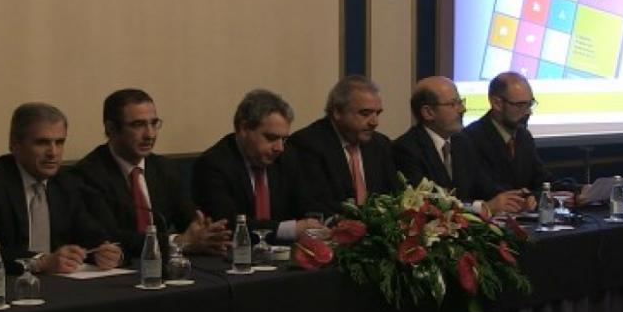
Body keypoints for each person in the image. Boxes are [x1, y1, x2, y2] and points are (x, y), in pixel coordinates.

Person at [0, 103, 122, 275]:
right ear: (15, 144)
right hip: (9, 282)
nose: (53, 152)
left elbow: (90, 234)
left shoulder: (67, 182)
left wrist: (105, 252)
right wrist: (41, 262)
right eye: (42, 143)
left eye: (59, 142)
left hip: (60, 282)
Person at [69, 88, 230, 256]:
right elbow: (109, 237)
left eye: (154, 123)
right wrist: (176, 242)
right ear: (111, 129)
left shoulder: (165, 168)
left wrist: (205, 233)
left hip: (164, 264)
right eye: (138, 125)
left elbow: (189, 220)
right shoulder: (87, 175)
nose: (150, 134)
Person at [192, 89, 323, 243]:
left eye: (284, 139)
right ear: (244, 129)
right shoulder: (213, 164)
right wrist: (288, 230)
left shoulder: (287, 157)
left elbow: (307, 206)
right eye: (271, 138)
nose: (279, 148)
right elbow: (228, 224)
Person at [394, 76, 527, 214]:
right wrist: (483, 207)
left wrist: (517, 199)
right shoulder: (407, 149)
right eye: (453, 104)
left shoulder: (463, 142)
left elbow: (485, 185)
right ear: (428, 112)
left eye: (461, 102)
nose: (462, 109)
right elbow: (431, 204)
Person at [288, 75, 400, 216]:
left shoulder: (380, 144)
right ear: (337, 112)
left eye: (377, 113)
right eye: (365, 113)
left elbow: (393, 196)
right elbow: (317, 204)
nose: (375, 122)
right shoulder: (307, 144)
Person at [459, 72, 556, 206]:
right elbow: (485, 189)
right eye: (520, 105)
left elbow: (542, 180)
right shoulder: (470, 139)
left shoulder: (524, 136)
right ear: (497, 103)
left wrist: (576, 190)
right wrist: (525, 196)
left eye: (530, 104)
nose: (528, 112)